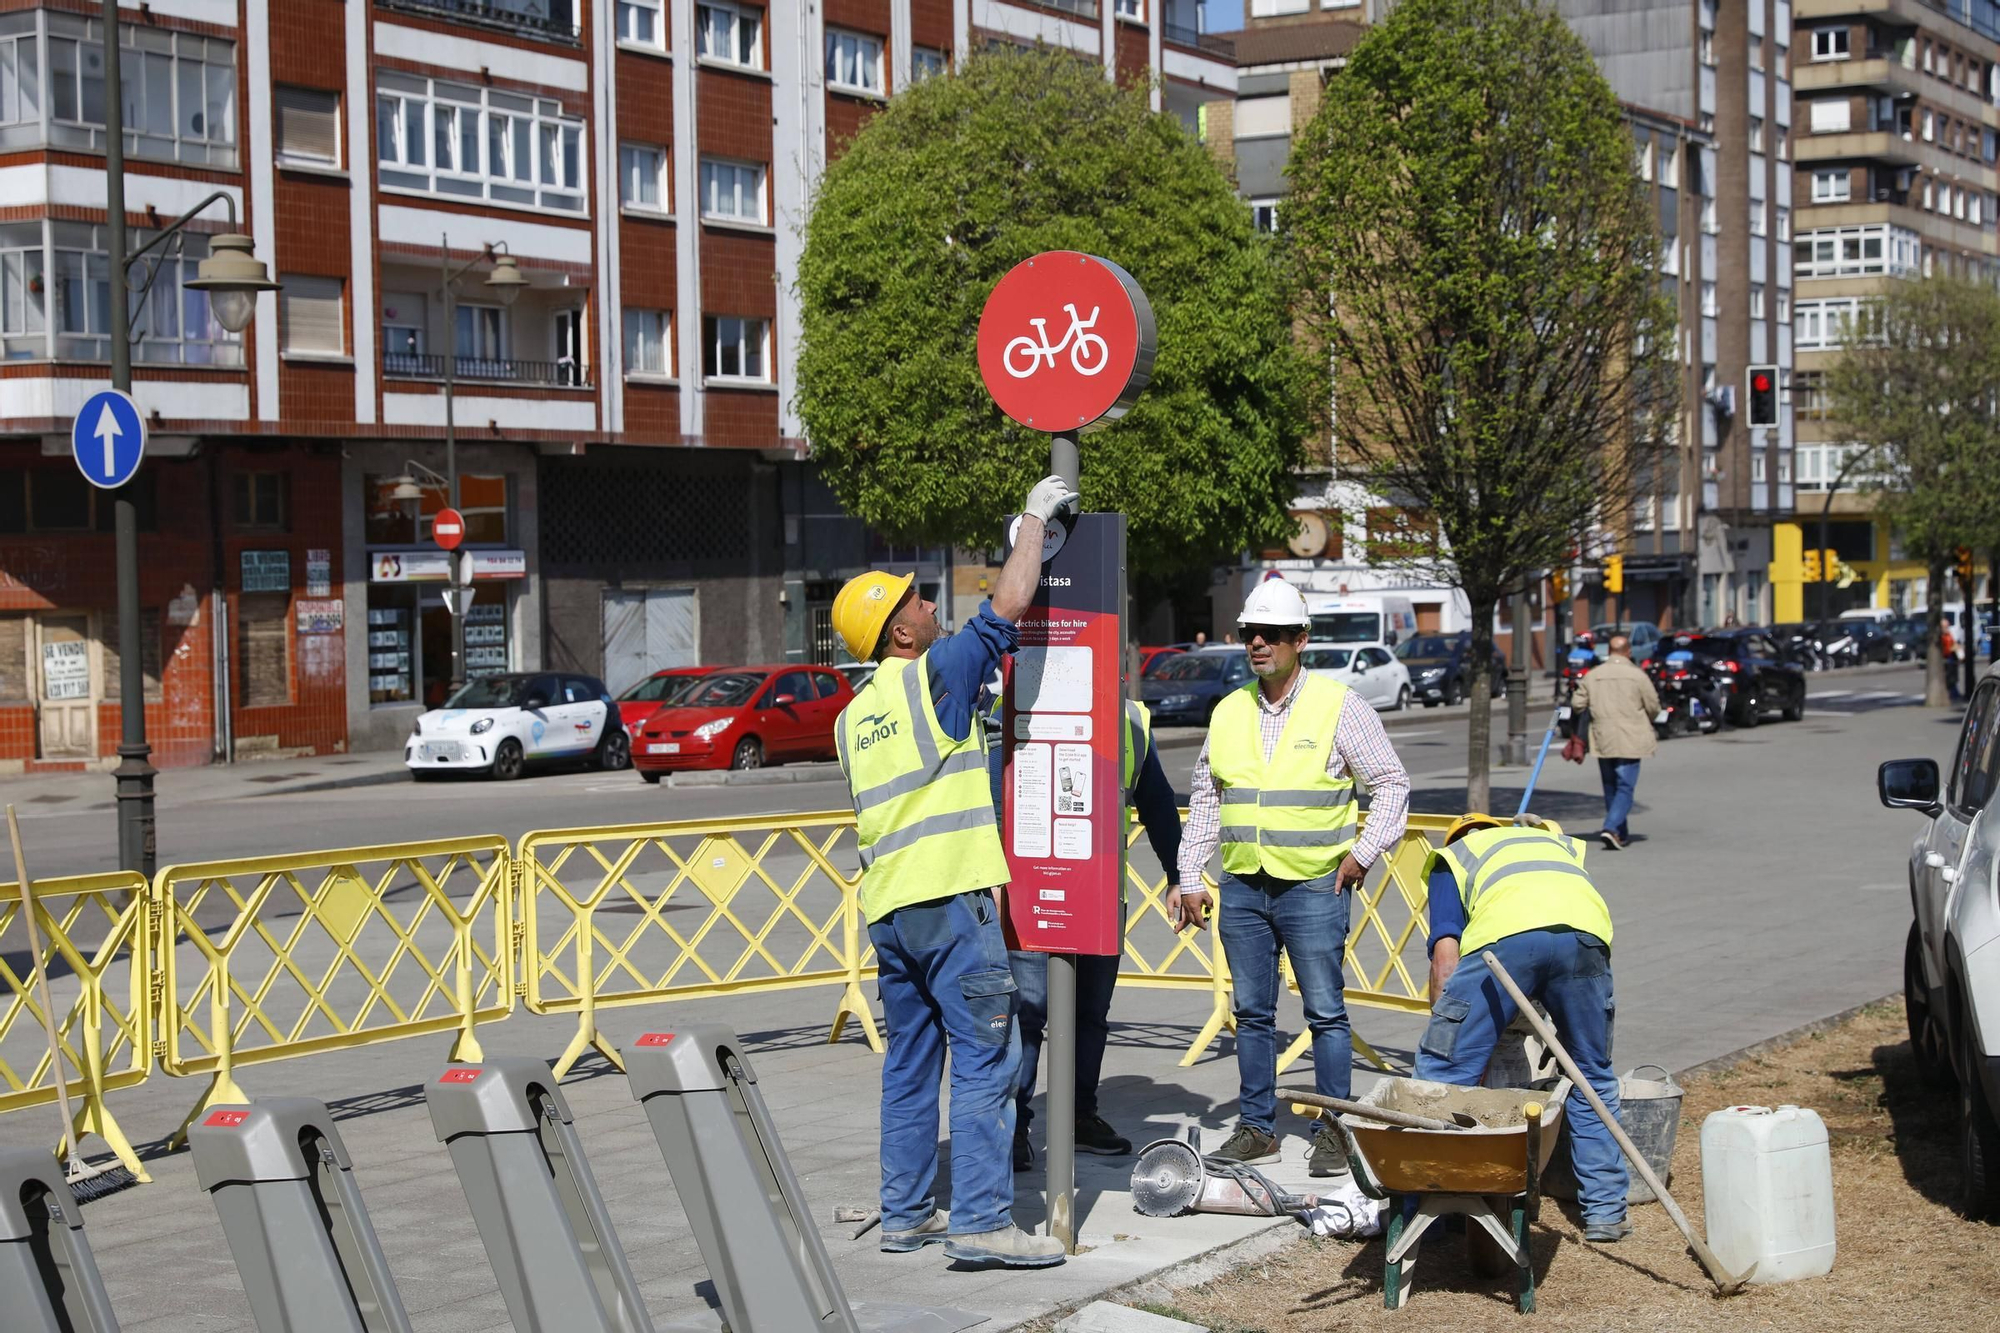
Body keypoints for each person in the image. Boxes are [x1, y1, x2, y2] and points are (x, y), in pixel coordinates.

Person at [831, 474, 1080, 1268]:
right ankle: (980, 1221)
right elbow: (1005, 607)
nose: (930, 604)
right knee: (986, 1056)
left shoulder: (851, 717)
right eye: (915, 601)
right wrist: (1036, 522)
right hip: (951, 902)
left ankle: (905, 1214)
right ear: (898, 633)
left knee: (908, 1065)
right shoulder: (934, 675)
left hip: (891, 909)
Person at [1175, 578, 1411, 1175]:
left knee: (1325, 1012)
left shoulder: (1340, 705)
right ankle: (1257, 1128)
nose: (1259, 643)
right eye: (1250, 633)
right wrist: (1191, 875)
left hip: (1313, 886)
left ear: (1300, 640)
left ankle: (1334, 1126)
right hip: (1245, 888)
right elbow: (1207, 796)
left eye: (1272, 634)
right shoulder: (1229, 710)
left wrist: (1364, 854)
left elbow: (1391, 783)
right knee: (1252, 1014)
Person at [985, 693, 1183, 1171]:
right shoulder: (1010, 703)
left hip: (1097, 898)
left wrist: (1179, 875)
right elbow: (991, 805)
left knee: (1090, 1015)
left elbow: (1156, 803)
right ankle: (1014, 1127)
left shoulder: (1131, 718)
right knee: (1027, 1015)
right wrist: (990, 882)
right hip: (1031, 896)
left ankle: (1078, 1117)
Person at [1416, 814, 1630, 1242]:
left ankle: (1435, 1210)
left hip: (1506, 940)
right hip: (1585, 939)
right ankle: (1606, 1213)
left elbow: (1446, 962)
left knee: (1444, 1074)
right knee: (1591, 1074)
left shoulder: (1452, 858)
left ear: (1456, 836)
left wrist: (1450, 1026)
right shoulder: (1553, 845)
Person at [1569, 633, 1658, 850]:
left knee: (1610, 787)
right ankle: (1611, 827)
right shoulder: (1637, 676)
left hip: (1603, 735)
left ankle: (1619, 833)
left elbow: (1577, 703)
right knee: (1625, 787)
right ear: (1628, 651)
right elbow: (1653, 706)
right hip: (1631, 736)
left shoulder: (1593, 675)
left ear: (1608, 652)